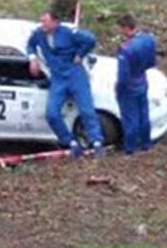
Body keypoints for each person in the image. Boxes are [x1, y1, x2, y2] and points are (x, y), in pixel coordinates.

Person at [26, 9, 105, 157]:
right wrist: (33, 58)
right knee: (52, 113)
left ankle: (97, 142)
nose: (42, 24)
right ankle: (70, 142)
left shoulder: (68, 33)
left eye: (45, 21)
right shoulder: (39, 34)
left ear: (55, 22)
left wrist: (80, 55)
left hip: (75, 75)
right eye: (42, 21)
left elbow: (90, 40)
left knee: (87, 110)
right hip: (58, 78)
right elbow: (30, 45)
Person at [115, 13, 158, 155]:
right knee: (143, 114)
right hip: (142, 80)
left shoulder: (126, 50)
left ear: (126, 28)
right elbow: (152, 61)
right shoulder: (149, 39)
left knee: (130, 118)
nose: (120, 33)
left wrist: (119, 88)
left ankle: (130, 149)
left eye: (121, 29)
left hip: (129, 86)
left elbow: (123, 76)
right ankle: (146, 144)